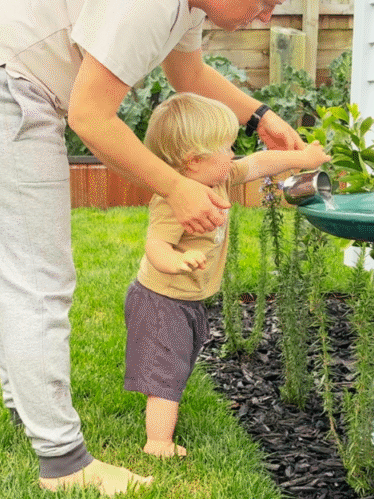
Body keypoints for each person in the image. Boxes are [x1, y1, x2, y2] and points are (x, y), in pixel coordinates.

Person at [0, 0, 314, 496]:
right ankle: (64, 466)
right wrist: (178, 187)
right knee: (36, 281)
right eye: (268, 2)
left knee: (22, 275)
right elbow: (92, 117)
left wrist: (260, 117)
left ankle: (28, 411)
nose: (267, 17)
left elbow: (189, 74)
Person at [124, 92, 330, 458]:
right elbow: (155, 247)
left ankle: (162, 416)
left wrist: (304, 158)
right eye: (227, 147)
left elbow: (260, 162)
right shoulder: (172, 201)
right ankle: (158, 444)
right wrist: (178, 261)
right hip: (161, 300)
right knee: (166, 378)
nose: (234, 154)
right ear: (195, 160)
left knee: (177, 366)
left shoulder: (218, 176)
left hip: (186, 300)